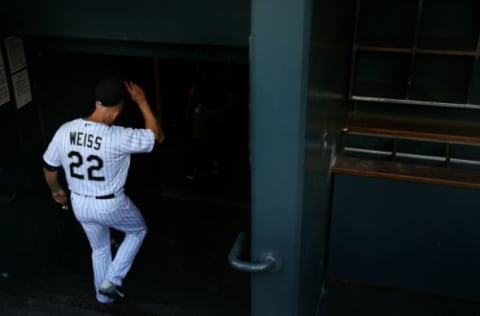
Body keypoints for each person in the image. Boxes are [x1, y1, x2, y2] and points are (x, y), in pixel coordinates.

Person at [42, 77, 164, 304]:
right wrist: (143, 102)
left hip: (79, 202)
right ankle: (113, 280)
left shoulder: (65, 130)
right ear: (116, 113)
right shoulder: (119, 136)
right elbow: (156, 136)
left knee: (99, 249)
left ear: (97, 103)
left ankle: (103, 298)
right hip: (109, 203)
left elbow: (49, 167)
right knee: (137, 231)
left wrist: (56, 190)